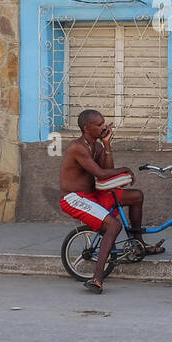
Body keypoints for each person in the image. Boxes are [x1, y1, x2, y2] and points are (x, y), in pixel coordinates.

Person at [58, 109, 162, 294]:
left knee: (136, 196)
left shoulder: (96, 146)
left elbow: (107, 170)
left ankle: (138, 245)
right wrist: (125, 169)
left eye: (104, 123)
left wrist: (106, 145)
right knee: (113, 226)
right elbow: (100, 173)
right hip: (74, 198)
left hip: (95, 194)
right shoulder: (77, 147)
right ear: (86, 128)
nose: (104, 127)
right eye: (99, 125)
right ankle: (97, 279)